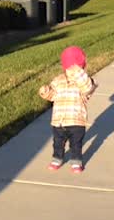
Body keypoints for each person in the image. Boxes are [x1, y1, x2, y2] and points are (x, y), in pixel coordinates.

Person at [39, 46, 97, 174]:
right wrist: (46, 92)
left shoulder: (85, 81)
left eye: (75, 67)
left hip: (76, 120)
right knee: (57, 142)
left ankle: (76, 162)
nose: (72, 70)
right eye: (69, 67)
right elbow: (53, 96)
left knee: (76, 144)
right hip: (59, 120)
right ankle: (57, 158)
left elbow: (88, 88)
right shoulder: (58, 80)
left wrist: (77, 72)